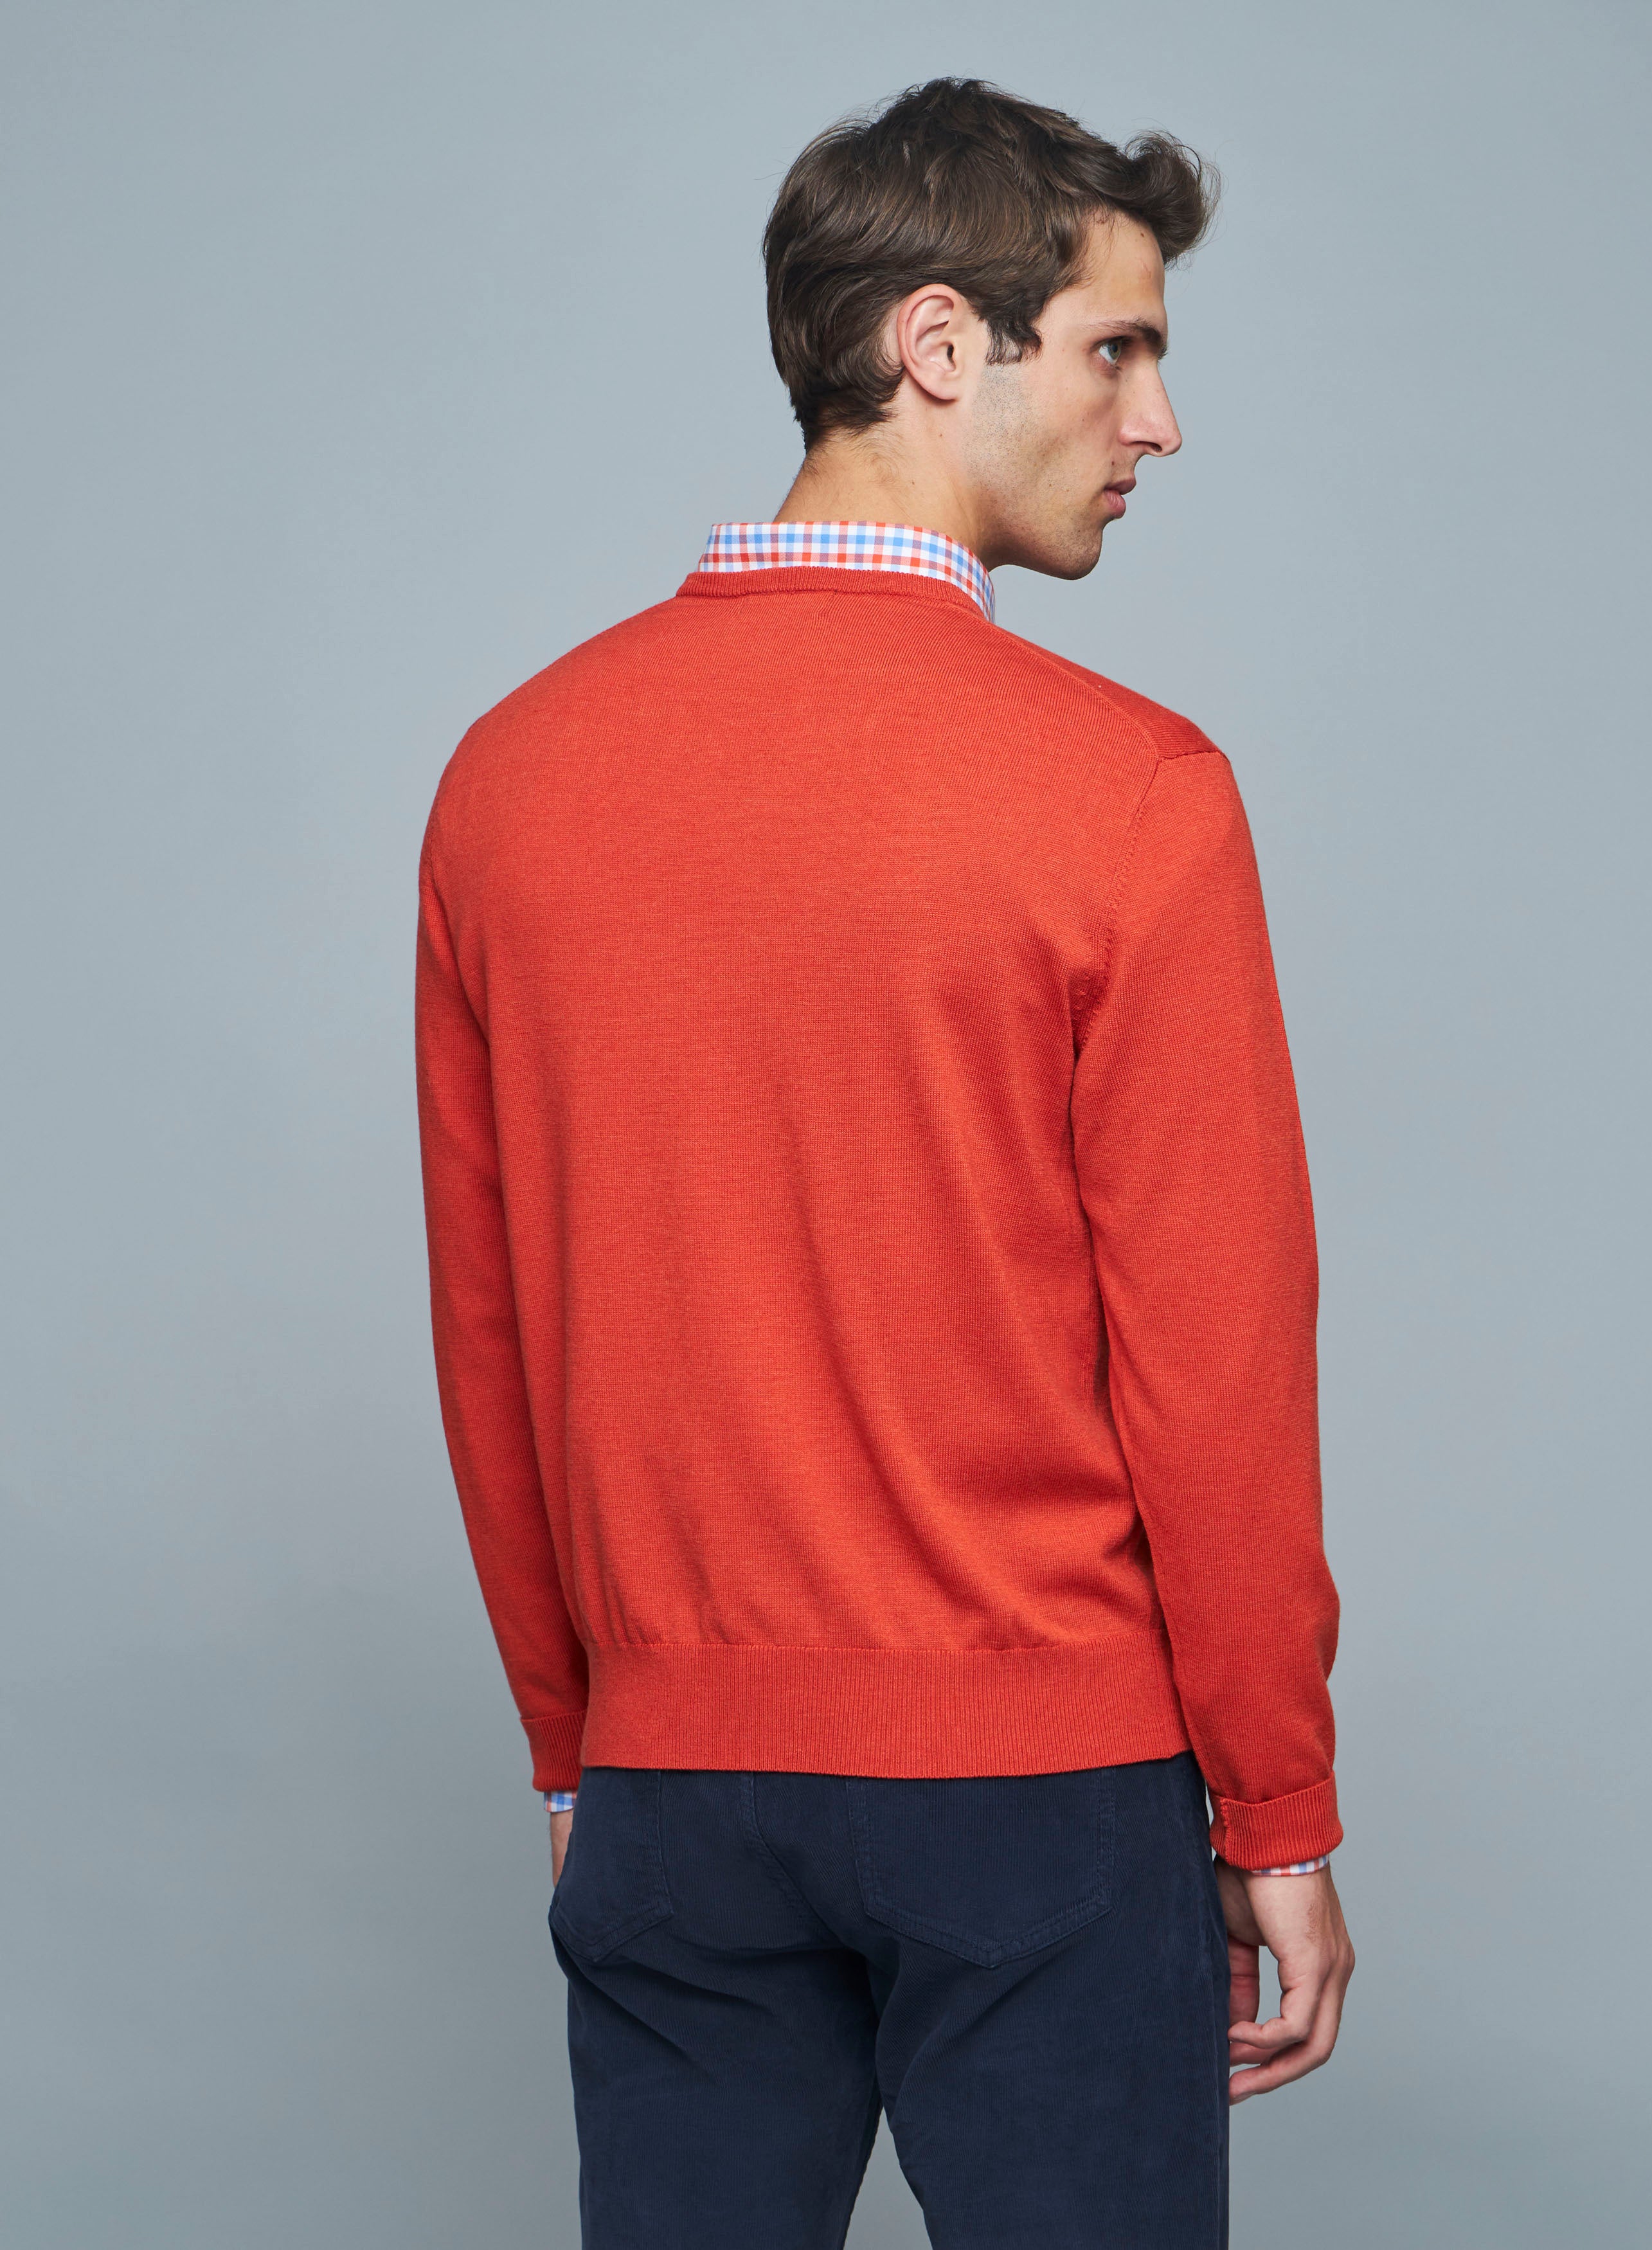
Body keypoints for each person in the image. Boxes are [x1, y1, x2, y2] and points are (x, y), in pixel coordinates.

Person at [415, 75, 1353, 2250]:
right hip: (1043, 1792)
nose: (1156, 421)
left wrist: (578, 1747)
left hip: (669, 1785)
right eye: (1115, 348)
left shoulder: (509, 778)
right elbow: (1214, 1363)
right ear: (941, 345)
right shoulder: (1130, 793)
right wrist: (1277, 1805)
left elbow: (493, 1334)